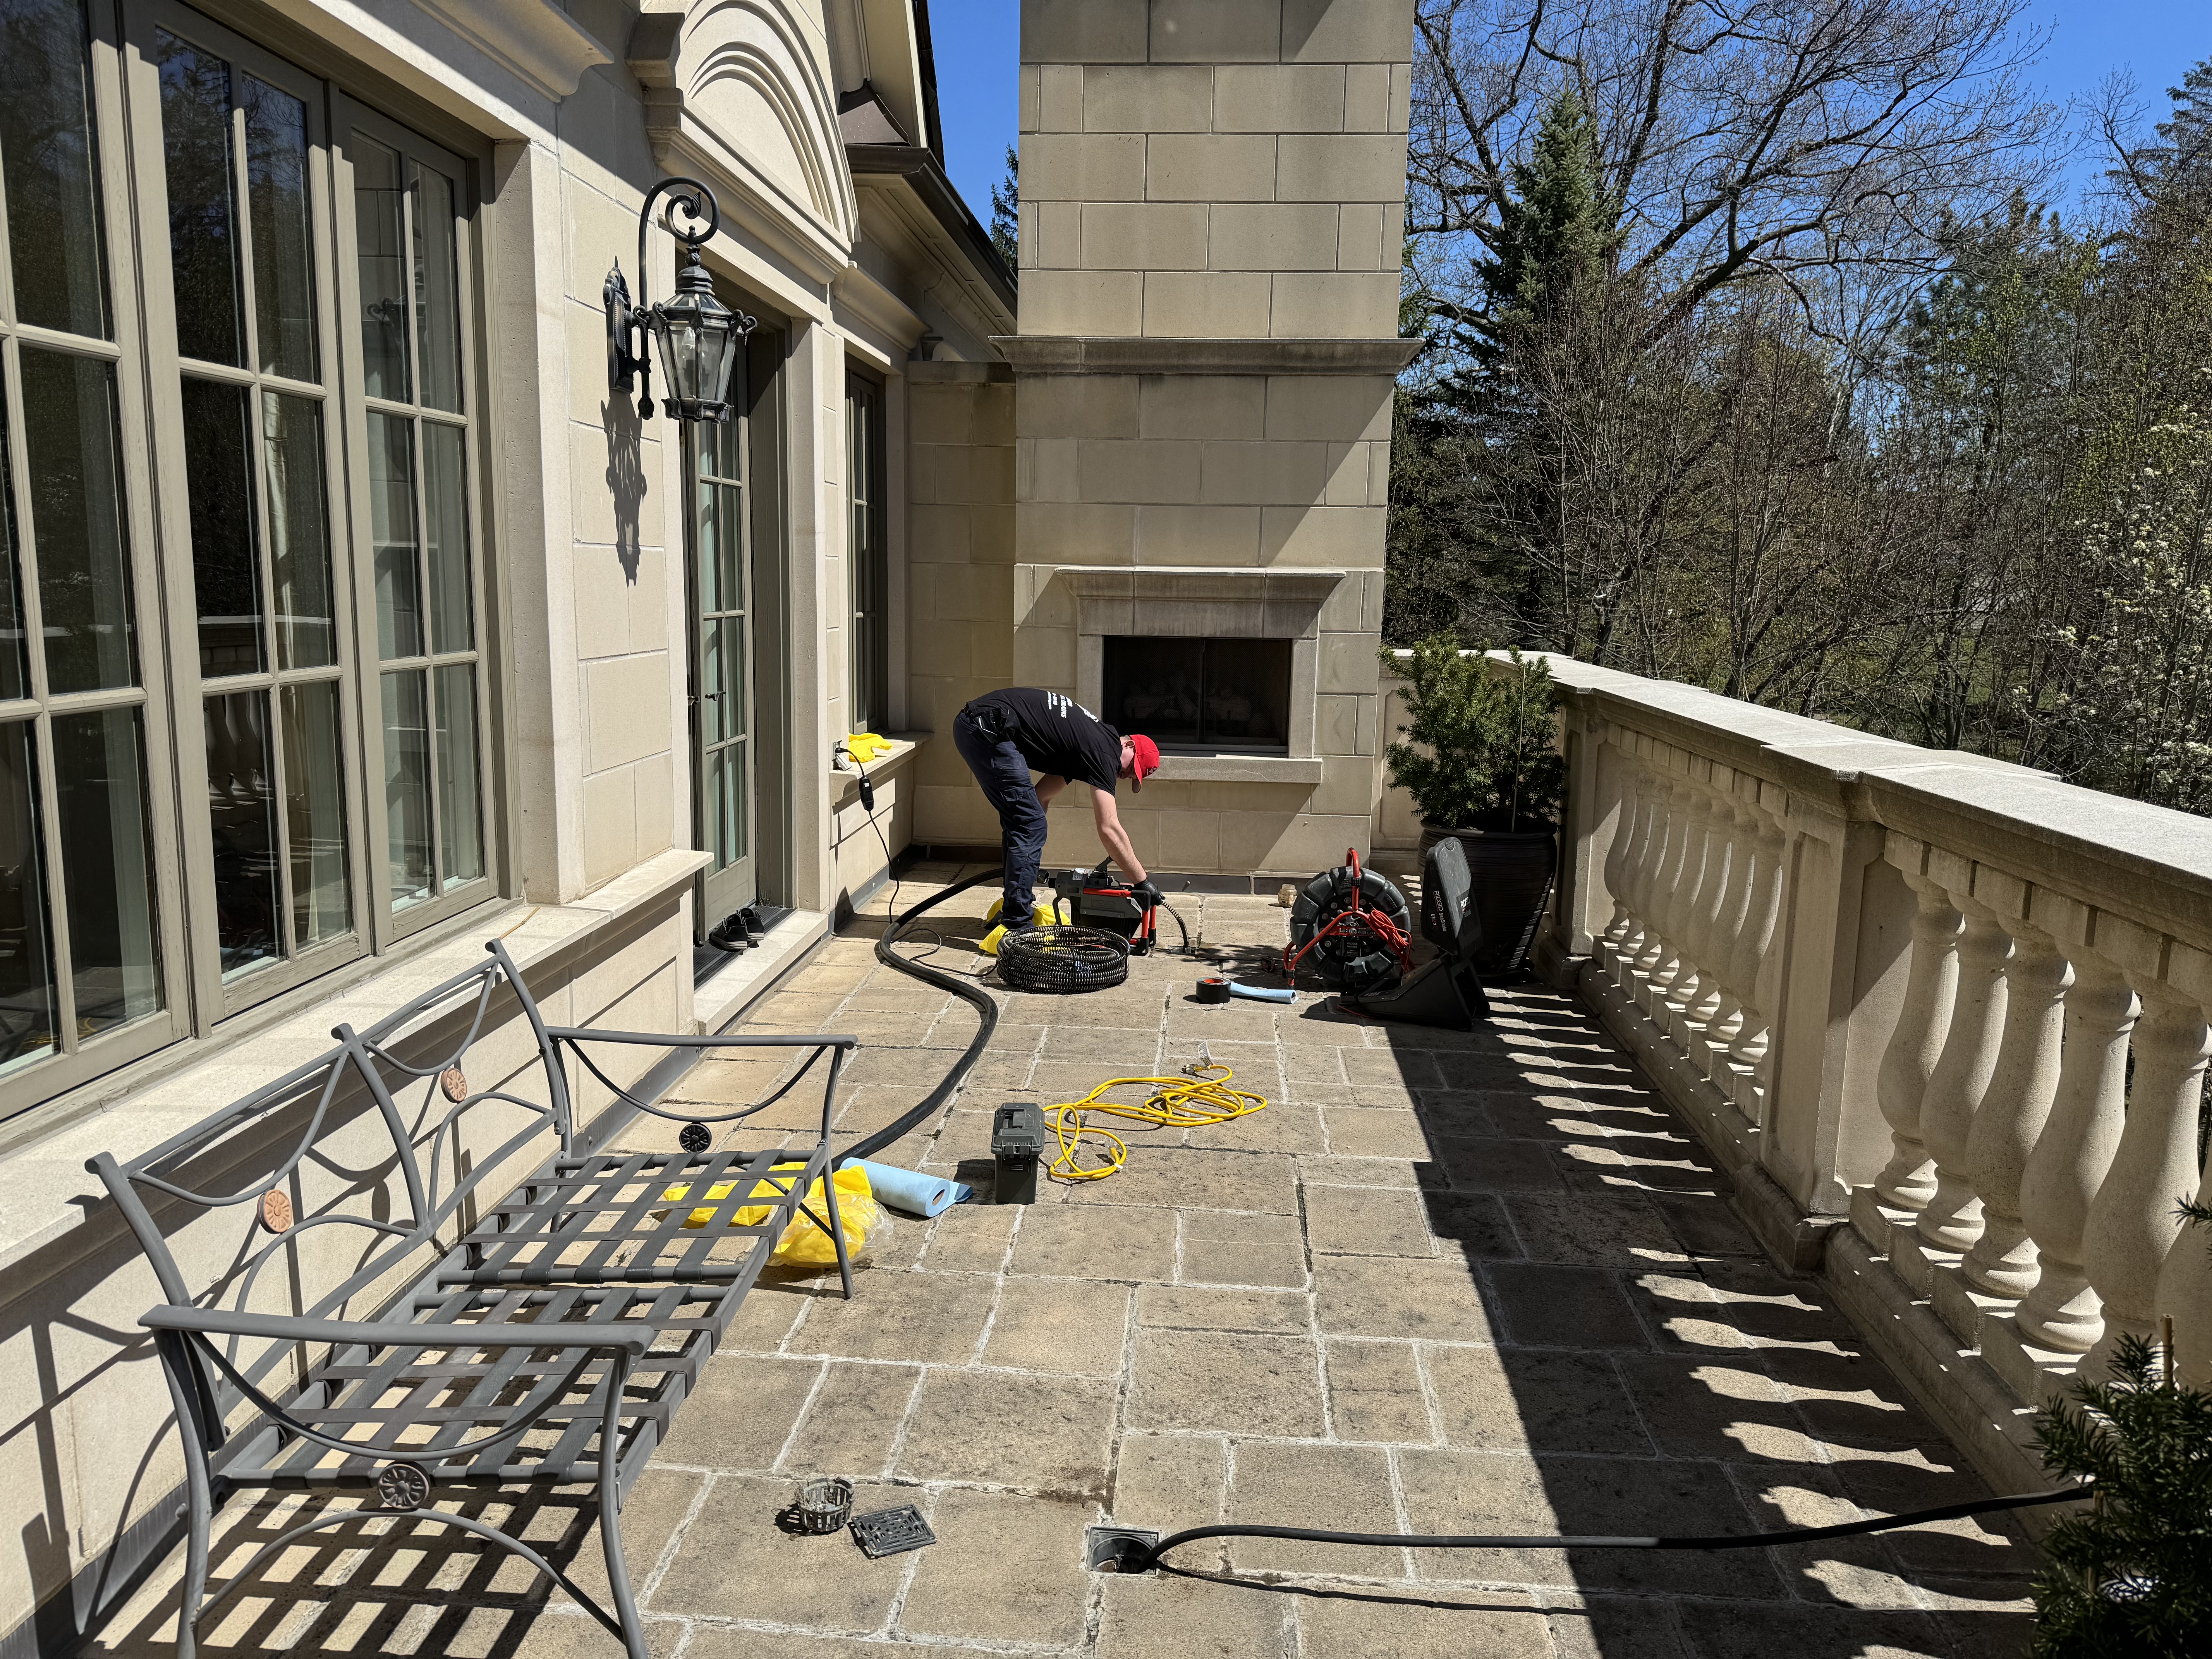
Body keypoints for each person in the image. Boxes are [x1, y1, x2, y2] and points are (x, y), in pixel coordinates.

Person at [952, 688, 1160, 954]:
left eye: (1133, 777)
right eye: (1132, 769)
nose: (1126, 775)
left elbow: (1040, 798)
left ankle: (1014, 907)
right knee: (1029, 825)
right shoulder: (1105, 752)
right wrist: (1142, 881)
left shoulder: (1086, 745)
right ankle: (1017, 926)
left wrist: (1025, 860)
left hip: (978, 725)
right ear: (1129, 745)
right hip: (988, 729)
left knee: (1025, 822)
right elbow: (1110, 828)